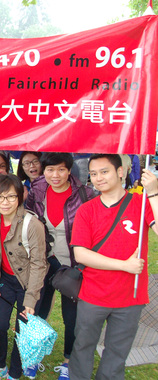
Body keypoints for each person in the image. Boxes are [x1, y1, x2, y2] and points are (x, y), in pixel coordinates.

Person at [69, 154, 158, 380]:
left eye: (105, 171)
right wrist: (124, 265)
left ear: (121, 172)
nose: (98, 178)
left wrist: (154, 192)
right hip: (93, 294)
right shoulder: (86, 210)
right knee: (82, 348)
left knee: (117, 353)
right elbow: (81, 253)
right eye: (94, 173)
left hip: (130, 296)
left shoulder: (141, 203)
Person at [23, 152, 95, 379]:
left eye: (61, 169)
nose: (55, 175)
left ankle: (67, 362)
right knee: (37, 310)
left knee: (71, 316)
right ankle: (33, 357)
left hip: (73, 265)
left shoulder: (84, 194)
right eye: (50, 170)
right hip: (43, 261)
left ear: (69, 170)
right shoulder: (37, 191)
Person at [0, 174, 47, 380]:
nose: (5, 202)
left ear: (19, 197)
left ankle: (15, 373)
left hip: (29, 284)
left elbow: (39, 264)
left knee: (22, 329)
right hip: (6, 281)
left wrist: (30, 299)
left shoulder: (33, 224)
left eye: (10, 197)